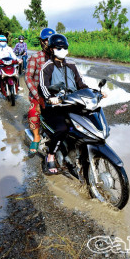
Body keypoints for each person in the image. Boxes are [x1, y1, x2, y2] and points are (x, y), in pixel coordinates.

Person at [38, 33, 88, 175]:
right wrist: (50, 98)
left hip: (72, 104)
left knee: (88, 123)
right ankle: (51, 155)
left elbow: (80, 84)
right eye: (59, 48)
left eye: (64, 47)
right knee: (62, 128)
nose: (63, 50)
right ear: (52, 49)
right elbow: (43, 87)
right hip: (54, 107)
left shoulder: (72, 65)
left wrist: (94, 92)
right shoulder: (47, 67)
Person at [24, 28, 56, 156]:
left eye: (50, 40)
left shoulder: (58, 57)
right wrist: (38, 97)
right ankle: (36, 136)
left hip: (55, 94)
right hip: (38, 94)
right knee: (33, 111)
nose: (47, 43)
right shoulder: (36, 58)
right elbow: (27, 77)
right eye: (45, 40)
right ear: (41, 42)